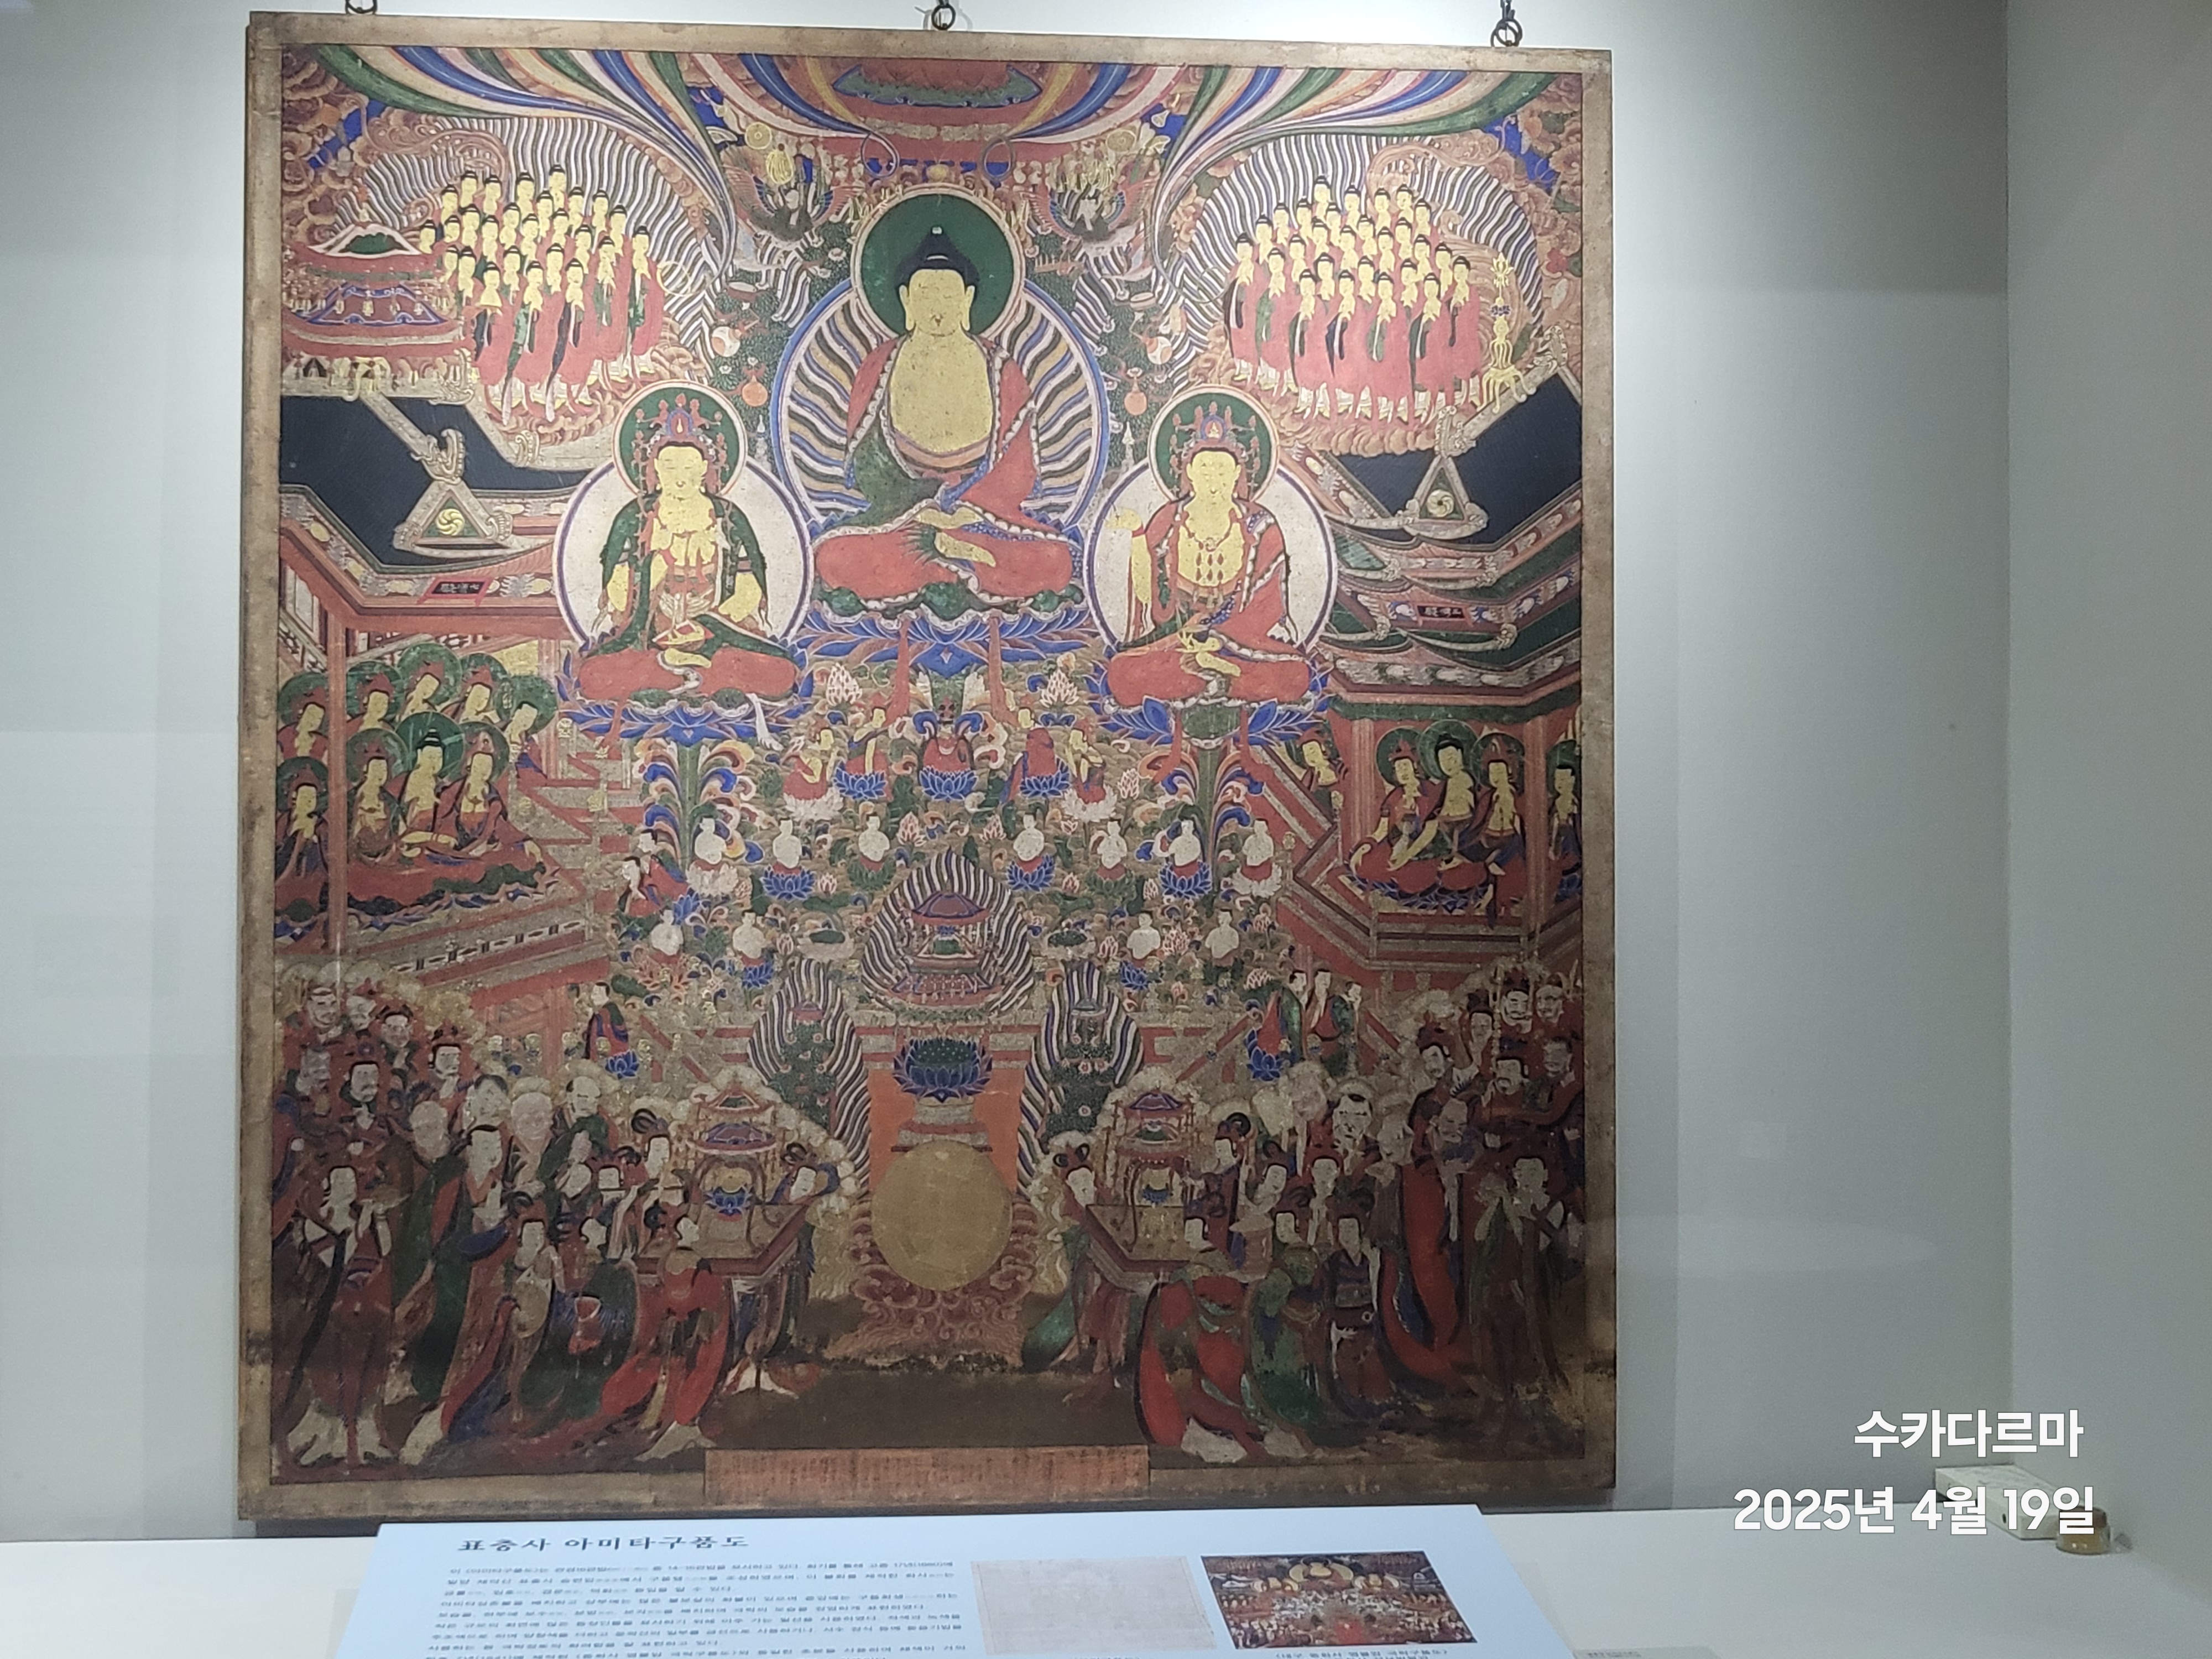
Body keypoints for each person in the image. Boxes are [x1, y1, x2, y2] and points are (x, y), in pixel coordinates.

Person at [812, 227, 1074, 606]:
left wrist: (966, 512)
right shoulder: (880, 367)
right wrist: (927, 512)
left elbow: (1018, 471)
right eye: (925, 295)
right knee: (836, 559)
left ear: (968, 300)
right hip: (908, 521)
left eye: (949, 296)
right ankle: (950, 564)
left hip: (981, 521)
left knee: (1054, 562)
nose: (937, 309)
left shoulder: (1000, 370)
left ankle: (942, 563)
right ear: (906, 300)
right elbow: (871, 470)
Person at [578, 397, 797, 700]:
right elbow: (618, 596)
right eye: (670, 466)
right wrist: (654, 567)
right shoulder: (636, 518)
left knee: (779, 674)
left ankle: (681, 677)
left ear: (704, 468)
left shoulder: (727, 519)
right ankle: (691, 678)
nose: (679, 476)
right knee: (594, 675)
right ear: (656, 468)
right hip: (651, 640)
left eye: (689, 466)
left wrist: (707, 626)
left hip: (717, 639)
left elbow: (749, 591)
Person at [1103, 403, 1308, 708]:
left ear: (1237, 473)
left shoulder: (1261, 526)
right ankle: (1217, 681)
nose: (1214, 480)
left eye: (1222, 471)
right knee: (1124, 675)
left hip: (1237, 647)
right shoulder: (1168, 522)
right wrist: (1137, 536)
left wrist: (1219, 640)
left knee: (1295, 676)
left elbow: (1267, 609)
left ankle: (1215, 676)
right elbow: (1151, 600)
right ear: (1189, 472)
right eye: (1205, 470)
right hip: (1178, 644)